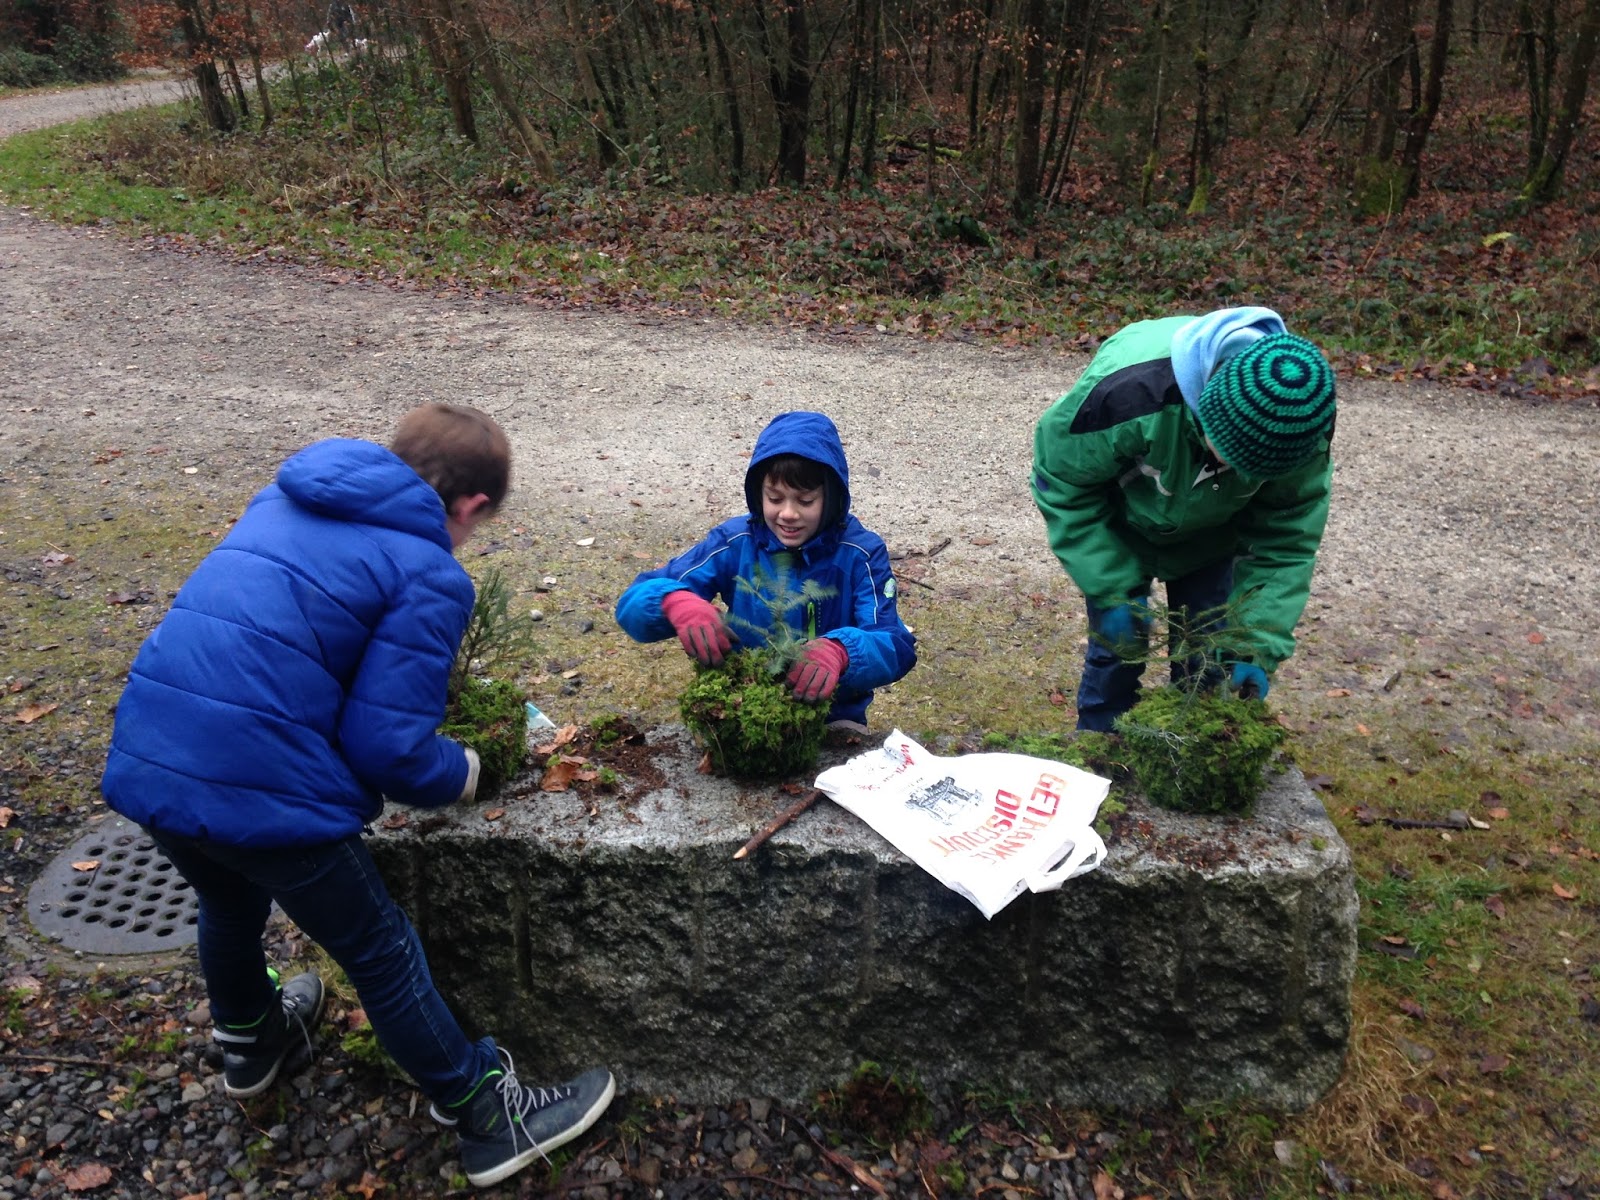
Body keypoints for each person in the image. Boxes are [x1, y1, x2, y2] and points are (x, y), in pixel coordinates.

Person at [100, 403, 614, 1191]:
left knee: (228, 902)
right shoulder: (428, 571)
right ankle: (486, 1114)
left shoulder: (284, 499)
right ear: (472, 505)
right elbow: (389, 750)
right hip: (261, 783)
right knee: (380, 949)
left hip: (152, 756)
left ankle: (251, 1041)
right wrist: (467, 769)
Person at [1030, 306, 1337, 732]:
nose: (1235, 473)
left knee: (1208, 661)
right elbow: (1061, 480)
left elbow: (1285, 539)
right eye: (1229, 457)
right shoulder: (1128, 394)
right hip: (1119, 529)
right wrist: (1110, 586)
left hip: (1213, 540)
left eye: (1254, 472)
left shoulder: (1301, 427)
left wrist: (1253, 645)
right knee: (1117, 650)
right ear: (1205, 407)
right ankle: (1099, 745)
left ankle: (1187, 750)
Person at [615, 410, 917, 734]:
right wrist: (673, 601)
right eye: (775, 498)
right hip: (745, 707)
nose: (788, 513)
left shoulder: (861, 554)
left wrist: (842, 651)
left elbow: (895, 645)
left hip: (831, 716)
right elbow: (632, 606)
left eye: (805, 501)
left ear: (831, 498)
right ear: (758, 492)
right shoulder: (736, 542)